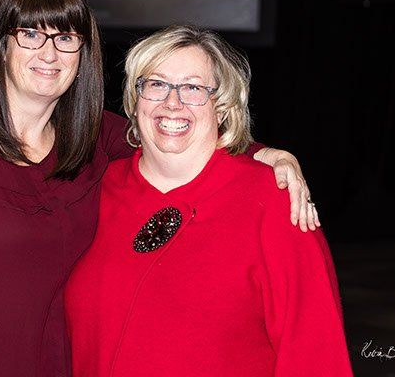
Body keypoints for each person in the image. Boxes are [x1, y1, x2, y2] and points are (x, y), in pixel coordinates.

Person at [0, 0, 319, 377]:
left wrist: (269, 155)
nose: (49, 53)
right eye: (31, 34)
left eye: (66, 38)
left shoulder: (95, 139)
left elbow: (174, 131)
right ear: (1, 44)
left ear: (83, 53)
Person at [65, 25, 352, 376]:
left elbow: (316, 355)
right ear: (134, 101)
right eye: (156, 84)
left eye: (193, 88)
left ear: (223, 108)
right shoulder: (96, 188)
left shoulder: (273, 200)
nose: (172, 102)